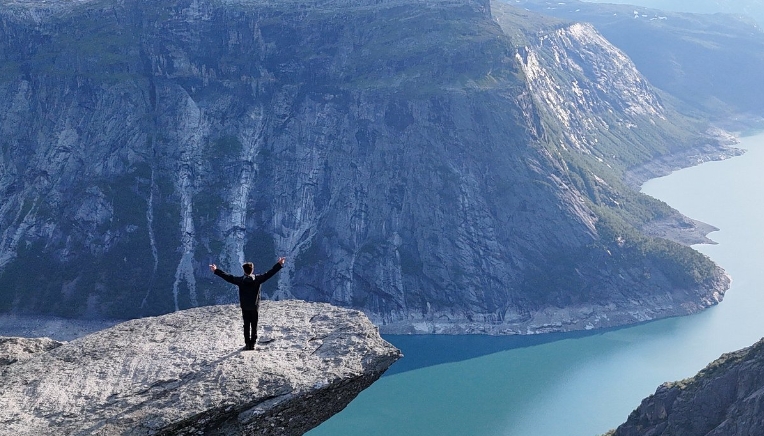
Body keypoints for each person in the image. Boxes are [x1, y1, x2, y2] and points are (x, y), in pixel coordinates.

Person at [209, 257, 286, 350]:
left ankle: (247, 343)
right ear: (252, 270)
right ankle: (252, 343)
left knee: (246, 325)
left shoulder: (240, 281)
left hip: (245, 307)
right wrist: (279, 264)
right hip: (254, 307)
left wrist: (216, 270)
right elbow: (269, 274)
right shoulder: (258, 279)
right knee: (254, 325)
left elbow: (228, 277)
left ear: (244, 270)